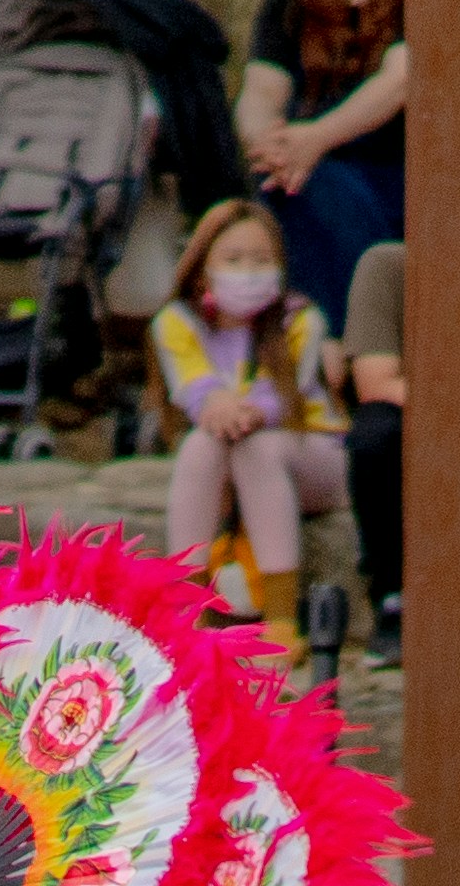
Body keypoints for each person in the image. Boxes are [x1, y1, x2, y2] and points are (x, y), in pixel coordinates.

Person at [148, 194, 352, 659]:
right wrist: (216, 403)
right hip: (225, 455)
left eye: (262, 260)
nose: (247, 271)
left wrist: (239, 411)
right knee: (201, 446)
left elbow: (284, 397)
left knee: (255, 447)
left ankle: (281, 619)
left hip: (312, 458)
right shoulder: (176, 323)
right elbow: (192, 387)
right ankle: (186, 611)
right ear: (203, 267)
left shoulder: (302, 320)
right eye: (233, 259)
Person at [243, 0, 411, 329]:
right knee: (291, 185)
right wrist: (269, 144)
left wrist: (315, 140)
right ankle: (321, 343)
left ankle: (342, 341)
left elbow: (400, 81)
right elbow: (260, 89)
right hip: (301, 168)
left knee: (317, 184)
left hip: (393, 172)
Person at [339, 234, 408, 663]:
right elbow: (376, 381)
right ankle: (391, 597)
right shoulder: (388, 266)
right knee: (374, 437)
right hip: (416, 410)